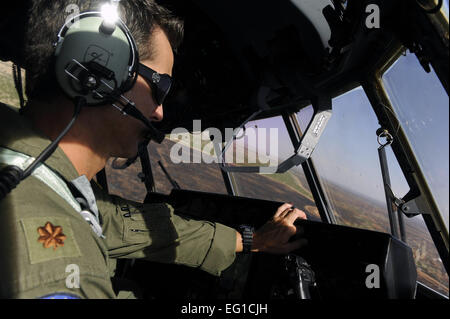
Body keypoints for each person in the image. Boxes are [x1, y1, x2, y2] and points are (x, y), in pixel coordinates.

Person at [0, 0, 307, 299]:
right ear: (102, 72)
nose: (160, 112)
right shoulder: (56, 273)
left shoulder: (47, 182)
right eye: (160, 87)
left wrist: (249, 240)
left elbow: (117, 223)